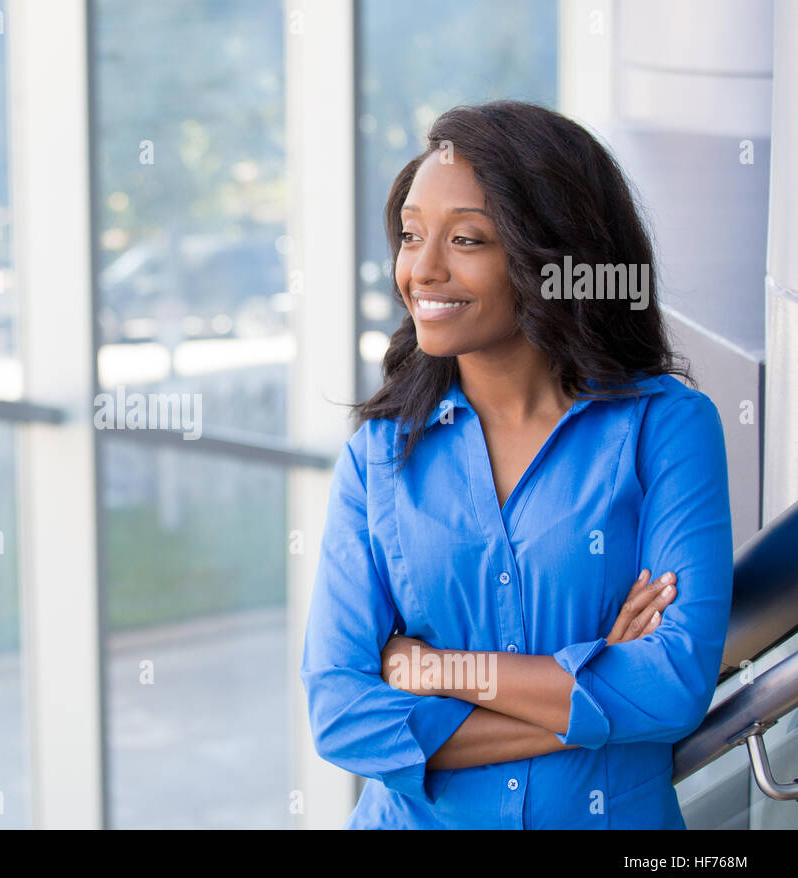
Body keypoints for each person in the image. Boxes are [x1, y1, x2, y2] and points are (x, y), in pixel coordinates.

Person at [299, 100, 734, 829]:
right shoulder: (379, 453)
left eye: (466, 239)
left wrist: (436, 671)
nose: (423, 270)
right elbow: (341, 714)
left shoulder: (666, 428)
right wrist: (592, 685)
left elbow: (671, 686)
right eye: (411, 236)